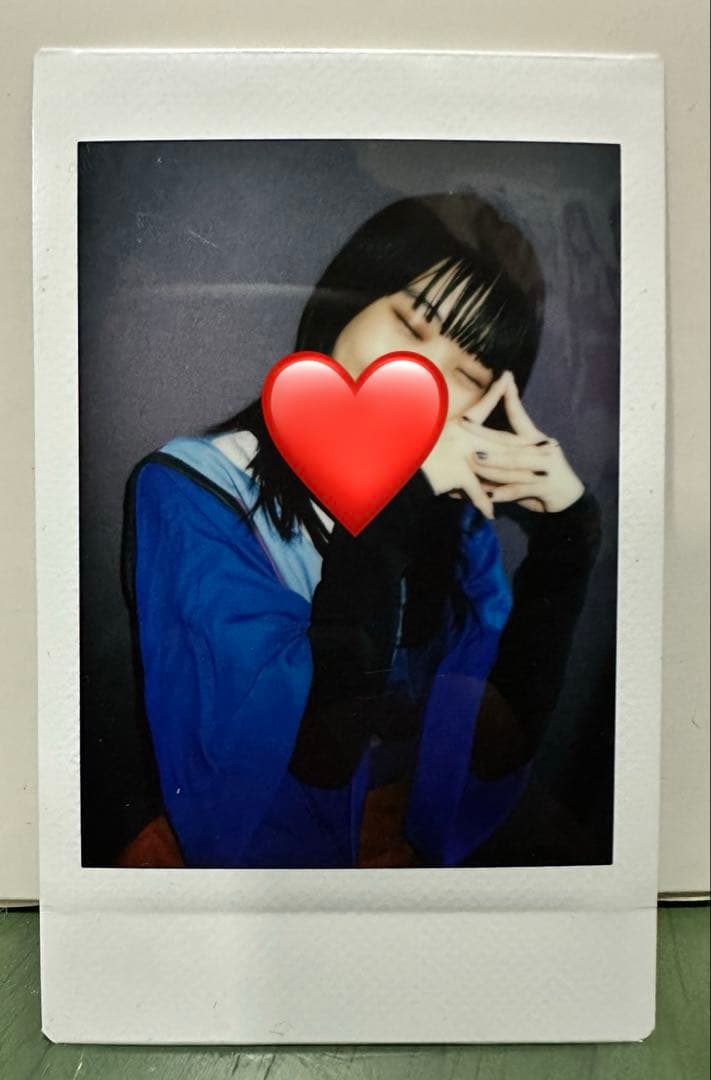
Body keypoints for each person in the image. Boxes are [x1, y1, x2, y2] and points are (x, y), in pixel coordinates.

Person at [120, 192, 602, 869]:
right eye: (411, 323)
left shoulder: (455, 522)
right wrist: (393, 507)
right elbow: (311, 756)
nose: (424, 376)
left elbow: (494, 743)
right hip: (258, 876)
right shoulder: (192, 490)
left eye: (468, 372)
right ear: (352, 297)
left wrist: (567, 540)